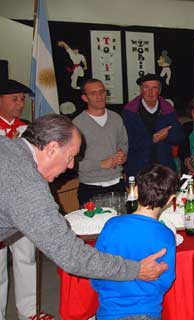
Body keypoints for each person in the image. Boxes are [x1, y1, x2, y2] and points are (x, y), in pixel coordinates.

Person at [0, 114, 169, 292]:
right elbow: (71, 255)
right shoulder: (27, 185)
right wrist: (136, 270)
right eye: (70, 156)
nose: (71, 166)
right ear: (51, 149)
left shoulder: (8, 146)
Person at [91, 164, 177, 320]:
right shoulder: (166, 235)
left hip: (109, 310)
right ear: (170, 200)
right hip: (147, 309)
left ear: (135, 191)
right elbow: (165, 280)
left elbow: (97, 270)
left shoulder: (112, 225)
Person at [0, 79, 37, 320]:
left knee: (27, 259)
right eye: (14, 99)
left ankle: (29, 313)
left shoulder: (29, 130)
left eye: (22, 99)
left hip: (23, 207)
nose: (20, 104)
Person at [73, 79, 128, 206]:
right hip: (91, 186)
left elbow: (123, 144)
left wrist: (122, 155)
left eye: (102, 91)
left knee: (119, 224)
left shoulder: (116, 118)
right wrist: (100, 164)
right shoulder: (77, 124)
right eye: (93, 93)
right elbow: (73, 162)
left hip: (117, 184)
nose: (99, 96)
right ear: (84, 98)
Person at [122, 74, 184, 178]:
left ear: (159, 91)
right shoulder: (130, 111)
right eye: (146, 87)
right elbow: (126, 141)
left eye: (154, 88)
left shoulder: (168, 110)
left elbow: (179, 137)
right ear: (141, 90)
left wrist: (167, 136)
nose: (150, 92)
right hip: (138, 168)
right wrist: (152, 140)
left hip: (164, 167)